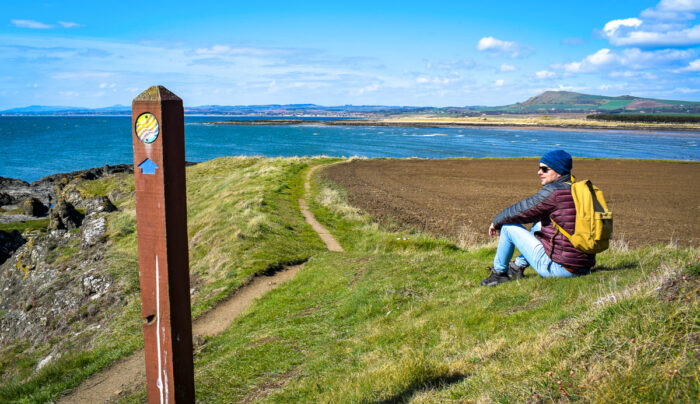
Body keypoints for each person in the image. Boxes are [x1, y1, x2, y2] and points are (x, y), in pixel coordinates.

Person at [481, 149, 594, 286]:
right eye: (539, 168)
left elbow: (521, 210)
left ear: (558, 171)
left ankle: (499, 274)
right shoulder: (579, 190)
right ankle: (517, 267)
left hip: (558, 269)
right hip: (584, 266)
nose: (539, 172)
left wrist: (496, 222)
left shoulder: (553, 192)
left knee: (508, 227)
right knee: (539, 224)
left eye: (544, 169)